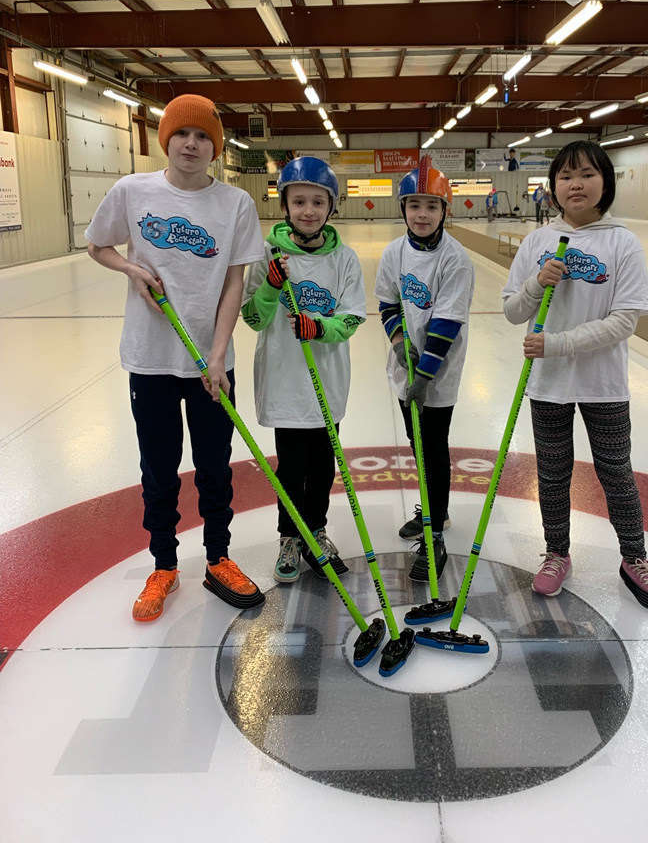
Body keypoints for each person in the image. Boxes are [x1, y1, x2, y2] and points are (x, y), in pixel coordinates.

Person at [86, 94, 266, 622]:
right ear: (166, 140)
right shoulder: (133, 191)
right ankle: (164, 565)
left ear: (215, 147)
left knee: (214, 466)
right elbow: (98, 246)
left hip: (212, 363)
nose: (191, 143)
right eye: (182, 134)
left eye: (203, 136)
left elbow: (235, 281)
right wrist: (132, 270)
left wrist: (217, 356)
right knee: (159, 469)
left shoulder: (235, 204)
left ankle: (218, 559)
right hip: (150, 358)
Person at [501, 140, 648, 611]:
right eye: (566, 176)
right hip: (549, 386)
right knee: (552, 475)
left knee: (616, 472)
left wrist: (557, 344)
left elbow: (625, 322)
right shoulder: (538, 242)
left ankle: (634, 558)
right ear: (553, 186)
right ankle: (557, 553)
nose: (576, 184)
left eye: (587, 174)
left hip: (604, 384)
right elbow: (514, 310)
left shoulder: (622, 242)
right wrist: (538, 283)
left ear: (605, 182)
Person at [241, 157, 366, 584]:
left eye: (318, 201)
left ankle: (316, 530)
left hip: (326, 380)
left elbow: (350, 319)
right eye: (299, 202)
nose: (308, 210)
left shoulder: (345, 259)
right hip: (285, 380)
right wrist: (271, 288)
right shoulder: (267, 253)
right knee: (291, 467)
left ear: (331, 206)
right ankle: (289, 537)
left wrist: (320, 327)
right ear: (285, 206)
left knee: (323, 466)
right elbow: (253, 319)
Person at [375, 158, 475, 581]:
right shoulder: (393, 252)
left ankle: (434, 532)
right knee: (419, 448)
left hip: (438, 369)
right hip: (407, 368)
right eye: (414, 205)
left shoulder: (456, 259)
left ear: (444, 211)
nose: (421, 214)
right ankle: (437, 511)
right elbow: (388, 302)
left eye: (431, 206)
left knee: (433, 447)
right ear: (403, 209)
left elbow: (447, 321)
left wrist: (425, 375)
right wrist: (399, 345)